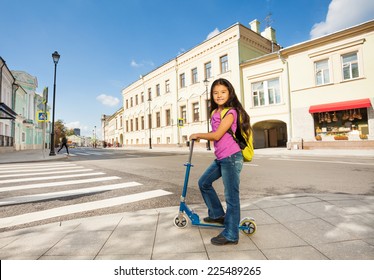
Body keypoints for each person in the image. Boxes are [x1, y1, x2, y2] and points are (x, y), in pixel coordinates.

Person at [189, 78, 252, 246]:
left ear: (230, 93)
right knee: (204, 182)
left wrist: (198, 134)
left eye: (223, 92)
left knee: (231, 197)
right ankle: (217, 215)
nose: (219, 95)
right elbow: (216, 133)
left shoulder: (231, 112)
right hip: (221, 157)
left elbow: (217, 135)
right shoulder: (215, 112)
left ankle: (231, 234)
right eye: (215, 93)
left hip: (231, 158)